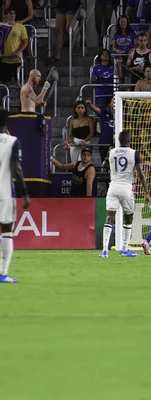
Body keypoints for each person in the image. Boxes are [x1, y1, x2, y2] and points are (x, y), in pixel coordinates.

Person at [100, 130, 151, 258]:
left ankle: (104, 250)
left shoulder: (111, 152)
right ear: (129, 140)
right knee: (128, 217)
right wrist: (146, 192)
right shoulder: (134, 154)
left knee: (110, 217)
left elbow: (104, 165)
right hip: (126, 187)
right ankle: (124, 249)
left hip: (113, 186)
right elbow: (140, 173)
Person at [0, 109, 30, 283]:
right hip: (4, 193)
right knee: (6, 231)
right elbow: (17, 169)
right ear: (7, 122)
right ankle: (3, 273)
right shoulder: (13, 141)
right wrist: (25, 194)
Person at [47, 0, 80, 65]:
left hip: (72, 5)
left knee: (68, 27)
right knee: (58, 30)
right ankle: (57, 55)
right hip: (61, 4)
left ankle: (74, 48)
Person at [0, 8, 29, 83]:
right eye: (10, 13)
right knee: (4, 83)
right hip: (4, 59)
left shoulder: (20, 27)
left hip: (17, 59)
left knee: (19, 82)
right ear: (6, 15)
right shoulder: (1, 27)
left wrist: (19, 51)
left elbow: (26, 42)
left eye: (14, 13)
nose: (12, 15)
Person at [87, 97, 114, 162]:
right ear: (109, 104)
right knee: (104, 163)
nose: (115, 103)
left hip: (117, 144)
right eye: (113, 101)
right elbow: (97, 110)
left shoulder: (124, 115)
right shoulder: (105, 113)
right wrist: (90, 104)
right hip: (104, 143)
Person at [112, 16, 137, 83]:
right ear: (119, 23)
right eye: (121, 22)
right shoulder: (116, 34)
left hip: (130, 54)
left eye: (125, 22)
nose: (123, 23)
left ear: (127, 23)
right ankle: (121, 82)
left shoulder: (132, 32)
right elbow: (113, 48)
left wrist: (133, 49)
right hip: (120, 54)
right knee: (119, 63)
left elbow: (136, 45)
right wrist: (118, 51)